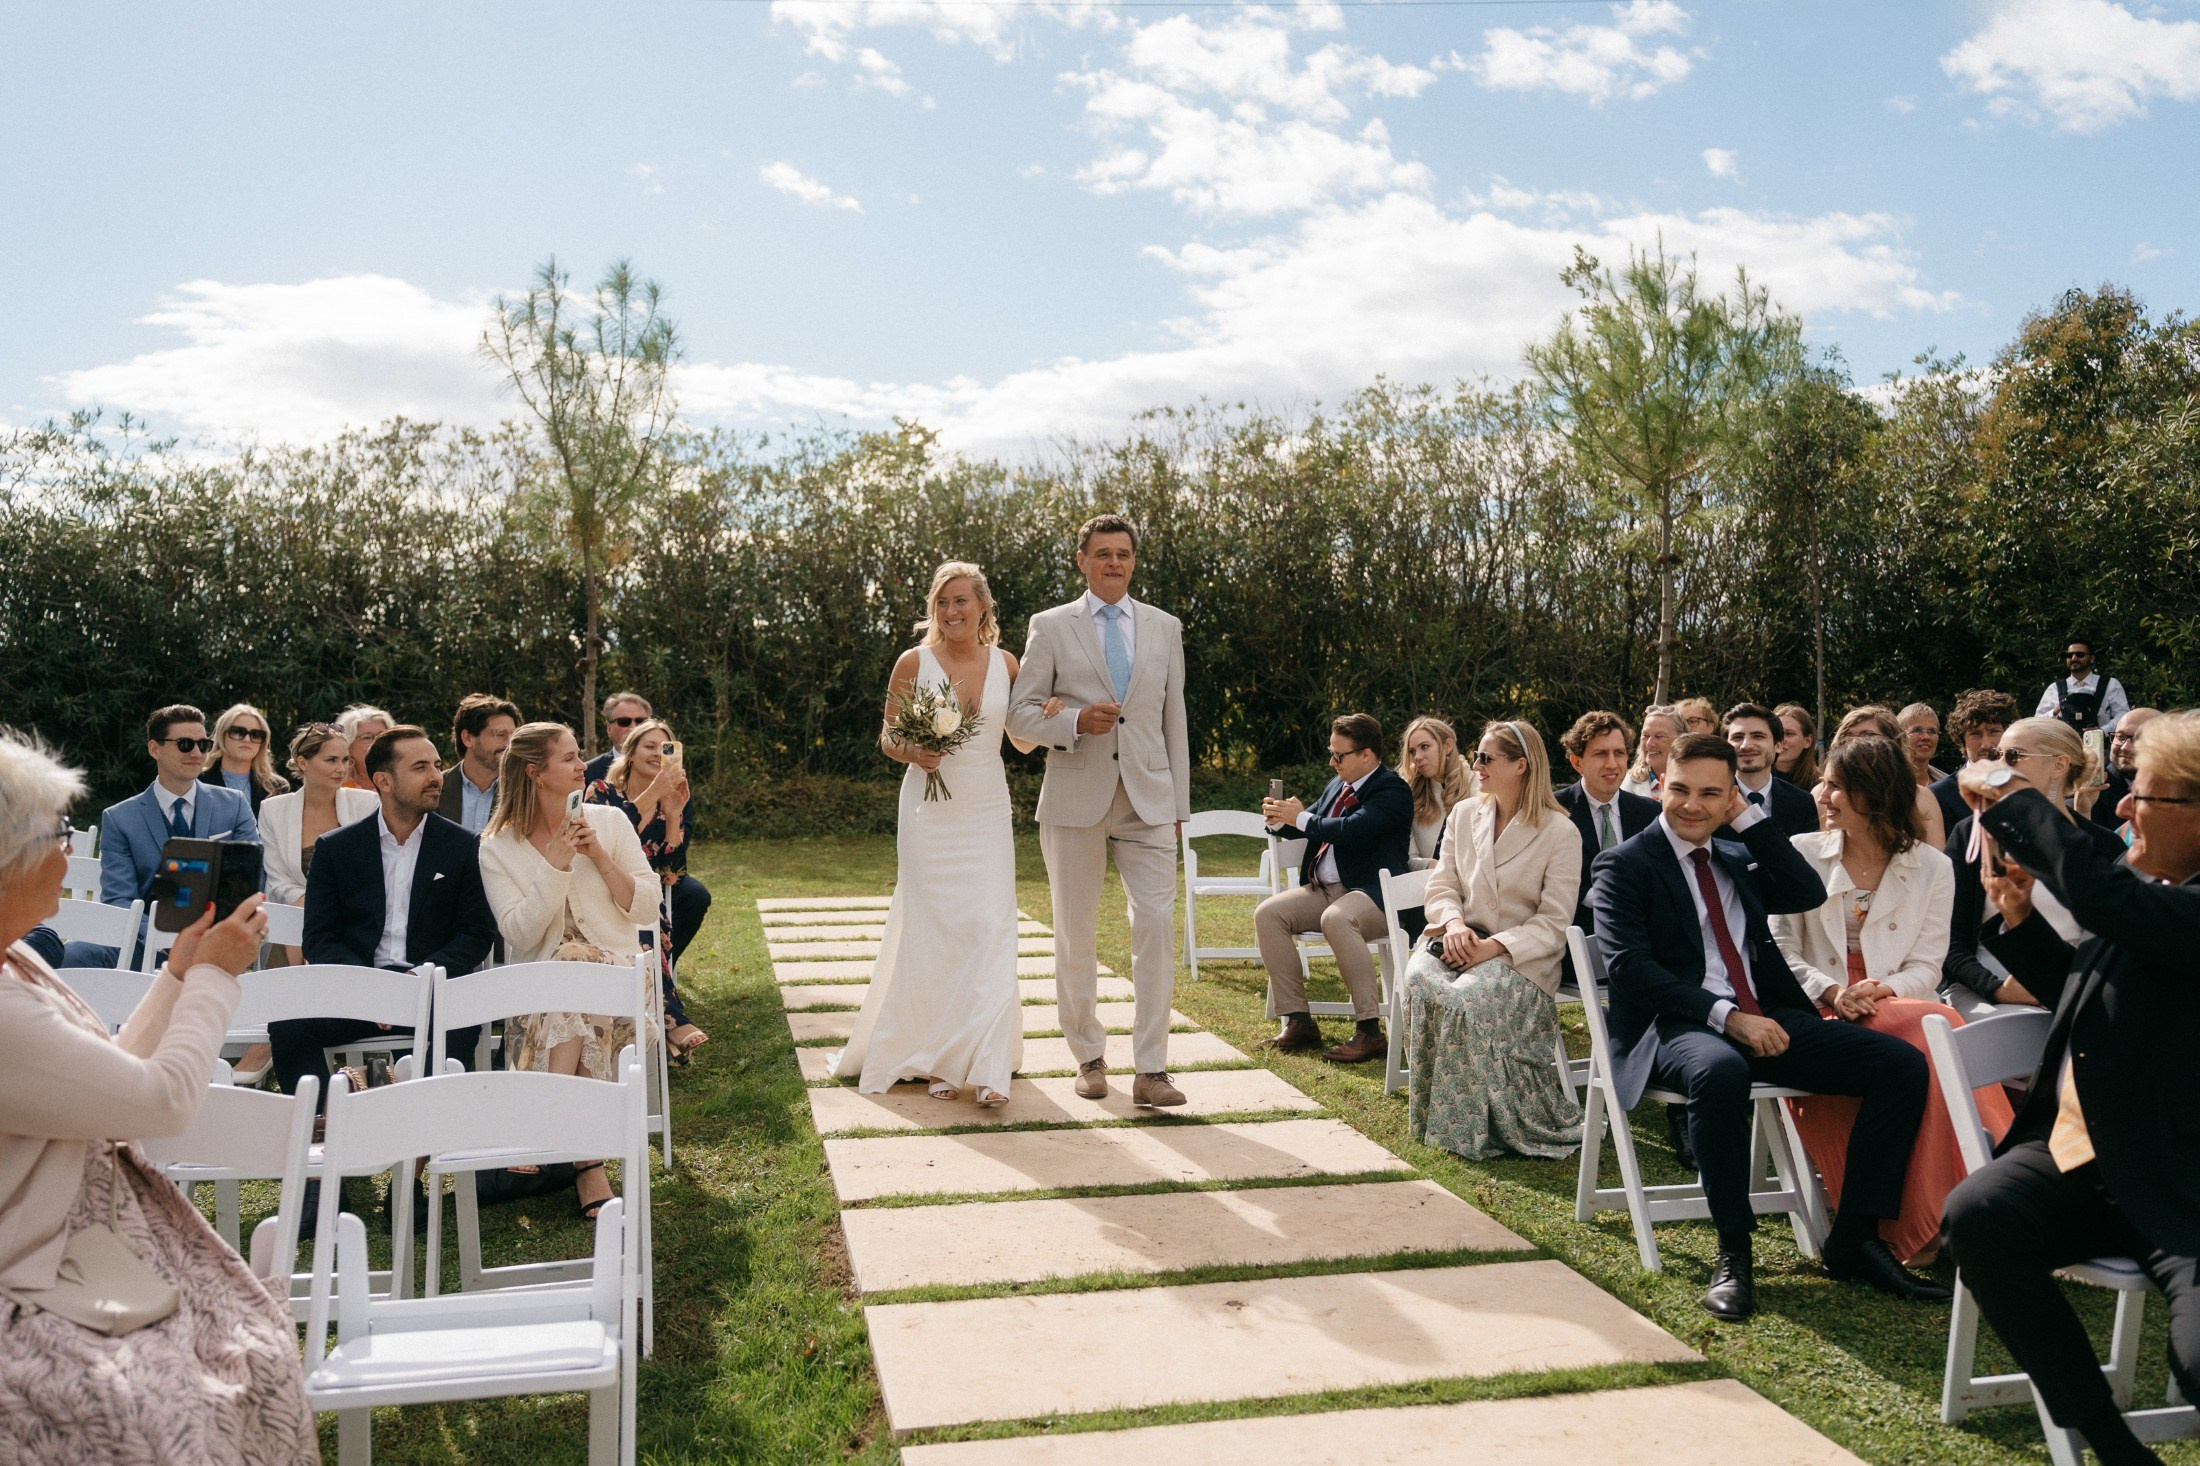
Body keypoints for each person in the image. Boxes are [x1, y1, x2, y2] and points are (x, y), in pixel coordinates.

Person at [0, 729, 316, 1463]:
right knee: (164, 1399)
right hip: (29, 1272)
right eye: (59, 833)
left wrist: (177, 975)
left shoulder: (15, 961)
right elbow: (163, 1104)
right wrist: (214, 977)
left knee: (244, 1355)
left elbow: (108, 1078)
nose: (69, 850)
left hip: (76, 1253)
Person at [1588, 733, 1947, 1321]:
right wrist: (1729, 1018)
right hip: (1675, 1026)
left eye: (1711, 794)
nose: (1691, 805)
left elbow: (1805, 891)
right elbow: (1630, 970)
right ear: (1659, 788)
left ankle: (1855, 1238)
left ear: (1732, 795)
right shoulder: (1623, 864)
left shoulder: (1736, 854)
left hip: (1766, 1015)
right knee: (1722, 1071)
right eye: (1679, 790)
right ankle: (1735, 1252)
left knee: (1900, 1066)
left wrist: (1749, 822)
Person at [1942, 711, 2200, 1466]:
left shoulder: (2160, 902)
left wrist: (2009, 791)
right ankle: (2113, 1447)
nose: (2121, 806)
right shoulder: (2153, 889)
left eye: (2141, 795)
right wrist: (2020, 918)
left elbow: (2100, 894)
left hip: (2182, 1185)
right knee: (1980, 1215)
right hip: (2083, 1161)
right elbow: (2090, 993)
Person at [1771, 733, 2000, 1265]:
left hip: (1891, 1001)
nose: (1822, 795)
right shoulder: (1801, 852)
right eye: (1824, 783)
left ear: (1874, 795)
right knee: (1938, 1027)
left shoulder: (1933, 866)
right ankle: (1970, 1206)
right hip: (1816, 1008)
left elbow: (1928, 965)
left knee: (1931, 1024)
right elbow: (1778, 950)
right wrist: (1832, 991)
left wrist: (1882, 990)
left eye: (1836, 785)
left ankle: (1947, 1213)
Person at [832, 563, 1051, 1104]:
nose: (951, 611)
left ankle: (988, 1065)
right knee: (934, 930)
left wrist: (1047, 716)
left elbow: (1021, 742)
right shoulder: (914, 662)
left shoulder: (1007, 663)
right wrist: (915, 752)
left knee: (991, 927)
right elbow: (888, 736)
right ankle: (938, 1060)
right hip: (929, 813)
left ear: (982, 606)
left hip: (987, 810)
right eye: (942, 603)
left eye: (961, 601)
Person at [1006, 515, 1193, 1108]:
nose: (1115, 563)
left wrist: (1179, 805)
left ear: (1134, 561)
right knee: (1074, 932)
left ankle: (1152, 1069)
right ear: (1082, 560)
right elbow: (1019, 714)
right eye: (1103, 553)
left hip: (1149, 800)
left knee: (1155, 928)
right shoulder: (1051, 626)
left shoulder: (1164, 627)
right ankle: (1088, 1056)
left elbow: (1174, 719)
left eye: (1124, 554)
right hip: (1074, 798)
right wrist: (1073, 722)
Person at [478, 722, 658, 1220]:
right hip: (542, 993)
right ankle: (587, 1164)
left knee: (572, 963)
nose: (583, 766)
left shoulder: (610, 822)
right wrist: (555, 865)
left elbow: (647, 906)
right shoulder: (497, 846)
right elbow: (519, 935)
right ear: (535, 773)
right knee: (564, 970)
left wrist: (597, 855)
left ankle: (543, 1123)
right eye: (570, 758)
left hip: (619, 976)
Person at [278, 725, 496, 1105]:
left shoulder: (464, 847)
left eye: (436, 765)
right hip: (357, 988)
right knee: (288, 1022)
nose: (435, 776)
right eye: (420, 767)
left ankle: (409, 1110)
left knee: (459, 1023)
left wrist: (421, 976)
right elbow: (319, 937)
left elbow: (475, 934)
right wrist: (369, 986)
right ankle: (324, 1125)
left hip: (431, 987)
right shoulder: (336, 849)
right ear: (384, 781)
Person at [1399, 720, 1582, 1159]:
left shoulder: (1561, 832)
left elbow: (1554, 922)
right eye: (1476, 755)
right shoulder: (1464, 814)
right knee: (1421, 980)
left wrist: (1492, 948)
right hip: (1457, 937)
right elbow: (1442, 885)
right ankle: (1431, 1117)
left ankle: (1468, 1130)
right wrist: (1454, 925)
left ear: (1521, 765)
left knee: (1465, 999)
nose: (1475, 764)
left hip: (1521, 959)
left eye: (1486, 758)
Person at [1940, 717, 2123, 1021]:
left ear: (2059, 765)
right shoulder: (1972, 833)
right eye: (1997, 755)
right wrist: (1996, 989)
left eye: (2013, 756)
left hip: (2076, 987)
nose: (1999, 765)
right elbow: (1948, 936)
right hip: (1984, 991)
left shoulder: (2104, 846)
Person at [1255, 713, 1412, 1064]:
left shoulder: (1392, 789)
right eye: (1331, 753)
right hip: (1325, 891)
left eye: (1339, 755)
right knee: (1268, 914)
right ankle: (1298, 1021)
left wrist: (1301, 818)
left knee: (1337, 919)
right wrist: (1279, 819)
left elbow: (1350, 829)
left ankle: (1369, 1030)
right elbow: (1311, 824)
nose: (1332, 762)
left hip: (1375, 894)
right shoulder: (1336, 785)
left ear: (1366, 755)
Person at [85, 704, 261, 968]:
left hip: (218, 944)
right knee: (75, 953)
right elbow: (119, 900)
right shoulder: (119, 818)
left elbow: (250, 880)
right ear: (154, 749)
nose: (196, 753)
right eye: (185, 744)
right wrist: (165, 940)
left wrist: (212, 936)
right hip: (145, 946)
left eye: (203, 744)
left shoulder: (234, 805)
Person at [587, 717, 709, 1060]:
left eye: (665, 748)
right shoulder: (601, 792)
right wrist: (654, 791)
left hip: (642, 898)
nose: (658, 754)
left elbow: (671, 874)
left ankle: (658, 1024)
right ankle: (672, 1021)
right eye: (649, 746)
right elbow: (609, 839)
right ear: (630, 752)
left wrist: (673, 814)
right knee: (644, 923)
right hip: (599, 889)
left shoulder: (666, 801)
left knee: (648, 916)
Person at [259, 722, 378, 959]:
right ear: (303, 762)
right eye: (331, 760)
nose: (341, 769)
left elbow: (372, 871)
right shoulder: (272, 809)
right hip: (293, 916)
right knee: (296, 920)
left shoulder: (367, 804)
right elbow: (277, 881)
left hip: (352, 921)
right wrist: (312, 904)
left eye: (345, 760)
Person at [1555, 710, 1658, 942]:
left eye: (1619, 753)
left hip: (1644, 938)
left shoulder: (1650, 813)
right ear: (1577, 762)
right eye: (1601, 754)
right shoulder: (1554, 812)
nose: (1612, 764)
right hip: (1575, 941)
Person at [1825, 706, 1944, 852]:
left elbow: (1937, 860)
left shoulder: (1922, 797)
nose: (1854, 742)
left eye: (1867, 735)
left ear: (1893, 742)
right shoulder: (1823, 794)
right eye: (1847, 736)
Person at [1930, 687, 2021, 836]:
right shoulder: (1940, 795)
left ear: (2008, 733)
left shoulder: (2025, 785)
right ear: (1962, 740)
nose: (1986, 744)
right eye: (1975, 734)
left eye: (1994, 731)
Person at [1721, 702, 1819, 838]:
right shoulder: (1712, 798)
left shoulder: (1802, 802)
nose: (1746, 745)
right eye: (1737, 737)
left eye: (1758, 736)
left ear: (1778, 745)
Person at [440, 693, 520, 836]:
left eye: (513, 736)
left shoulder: (521, 790)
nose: (509, 744)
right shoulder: (436, 788)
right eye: (500, 735)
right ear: (468, 738)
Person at [1398, 716, 1472, 870]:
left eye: (1424, 746)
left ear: (1447, 746)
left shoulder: (1478, 786)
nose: (1417, 757)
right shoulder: (1409, 794)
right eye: (1412, 751)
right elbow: (1407, 858)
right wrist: (1429, 865)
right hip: (1429, 880)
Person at [201, 703, 289, 814]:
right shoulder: (197, 782)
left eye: (255, 734)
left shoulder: (277, 788)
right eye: (238, 732)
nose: (247, 739)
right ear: (222, 735)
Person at [2036, 635, 2130, 735]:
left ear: (2092, 658)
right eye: (2069, 655)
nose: (2074, 658)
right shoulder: (2054, 688)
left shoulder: (2110, 684)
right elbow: (2037, 721)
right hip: (2065, 742)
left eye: (2080, 654)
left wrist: (2102, 731)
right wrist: (2055, 711)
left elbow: (2123, 715)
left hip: (2102, 742)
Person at [2095, 706, 2161, 836]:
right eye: (2120, 736)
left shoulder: (2183, 787)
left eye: (2139, 739)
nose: (2125, 747)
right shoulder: (2094, 790)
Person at [585, 692, 653, 786]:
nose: (634, 727)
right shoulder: (587, 773)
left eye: (641, 722)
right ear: (609, 729)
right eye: (624, 722)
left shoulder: (663, 769)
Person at [1621, 705, 1686, 799]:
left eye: (1659, 736)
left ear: (1681, 740)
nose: (1649, 743)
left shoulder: (1698, 780)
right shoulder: (1626, 785)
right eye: (1646, 735)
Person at [334, 704, 393, 789]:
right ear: (348, 747)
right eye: (367, 738)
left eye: (382, 736)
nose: (377, 743)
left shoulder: (404, 780)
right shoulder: (336, 787)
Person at [1896, 702, 1948, 785]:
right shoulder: (1883, 781)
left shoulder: (1950, 786)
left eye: (1932, 731)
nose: (1926, 737)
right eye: (1917, 730)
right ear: (1900, 735)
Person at [1773, 703, 1820, 787]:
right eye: (1776, 733)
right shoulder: (1752, 780)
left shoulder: (1820, 786)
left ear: (1808, 741)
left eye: (1789, 734)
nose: (1780, 739)